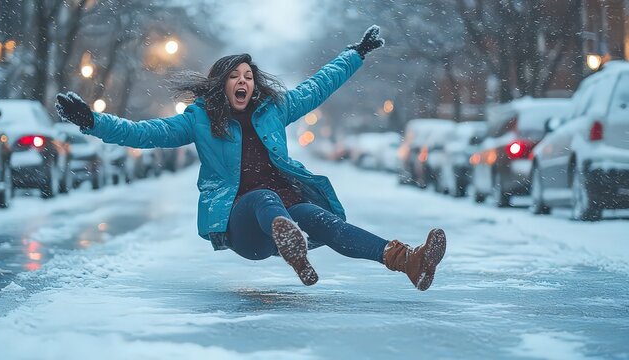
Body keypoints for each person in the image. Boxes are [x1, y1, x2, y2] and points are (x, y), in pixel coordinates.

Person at [55, 25, 446, 290]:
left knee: (323, 220)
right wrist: (92, 120)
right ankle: (289, 243)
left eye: (248, 75)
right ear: (220, 84)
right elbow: (142, 133)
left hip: (286, 209)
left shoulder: (274, 110)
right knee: (263, 197)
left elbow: (319, 84)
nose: (243, 81)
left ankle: (408, 260)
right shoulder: (199, 120)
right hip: (242, 225)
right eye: (234, 76)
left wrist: (356, 53)